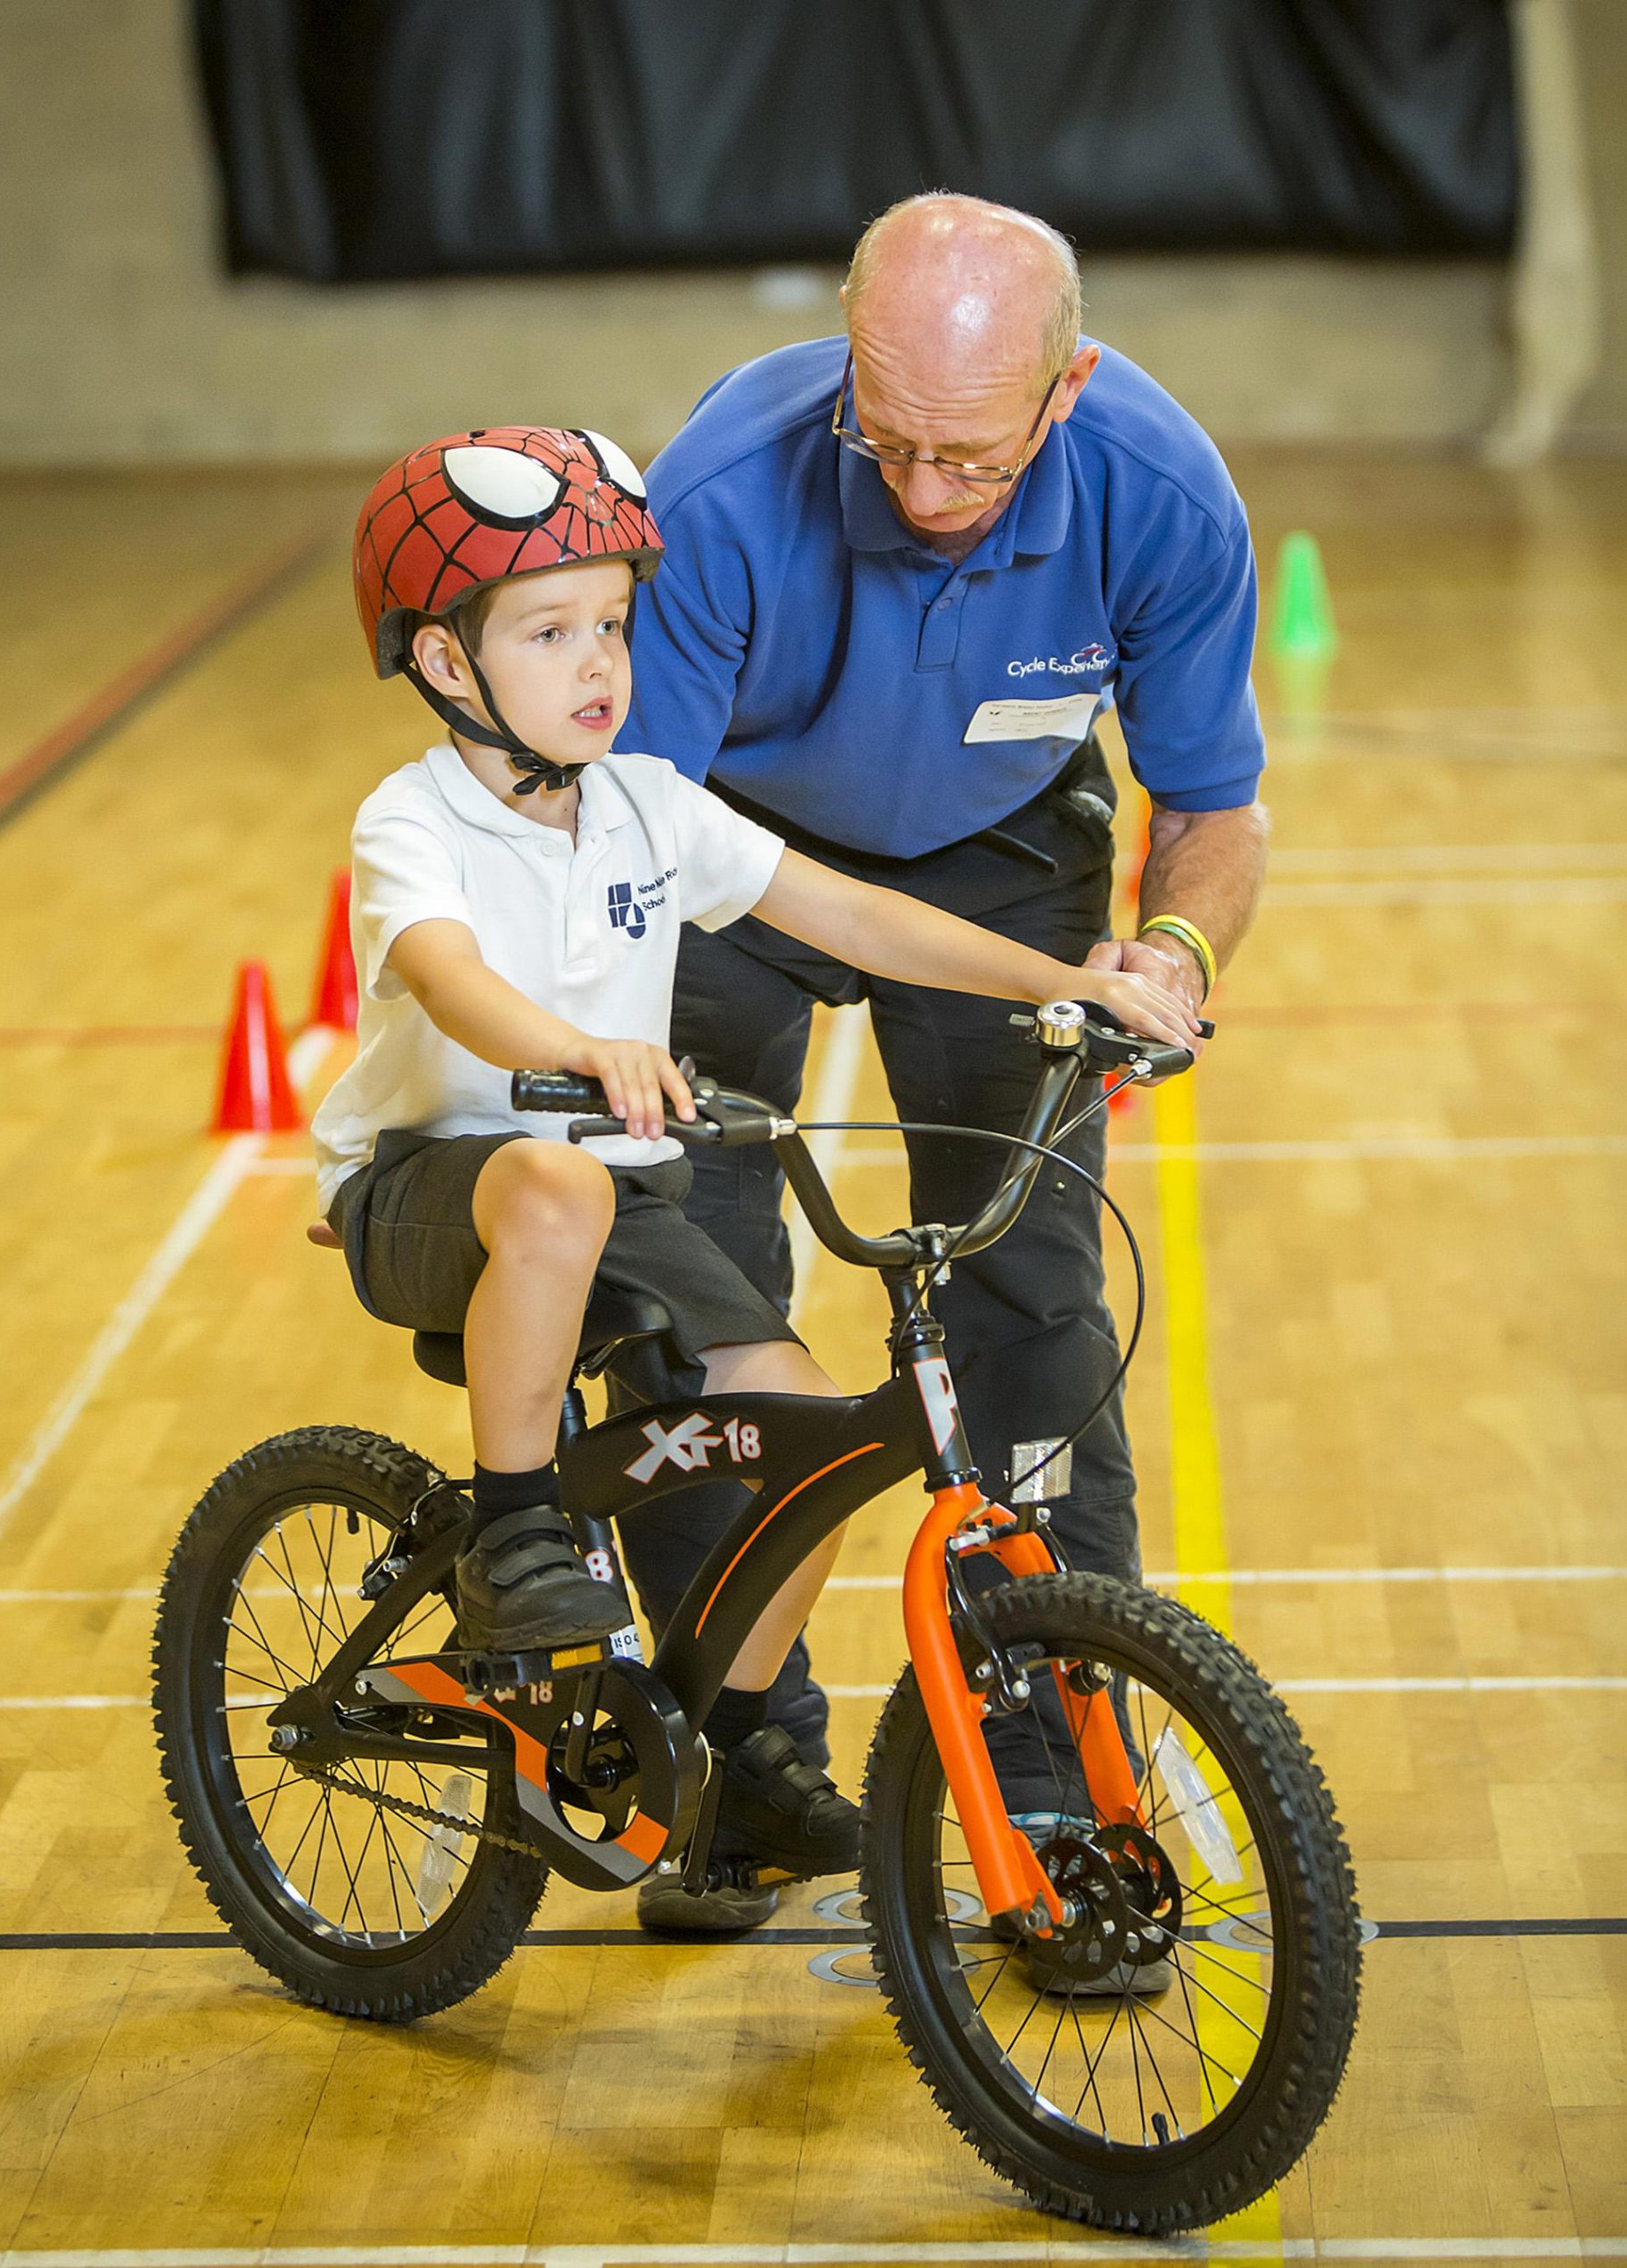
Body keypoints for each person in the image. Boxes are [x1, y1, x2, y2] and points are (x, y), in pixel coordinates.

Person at [311, 424, 1203, 1898]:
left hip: (599, 1195)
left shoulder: (650, 809)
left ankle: (732, 1750)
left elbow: (853, 915)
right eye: (548, 632)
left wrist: (1069, 983)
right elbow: (451, 977)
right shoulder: (413, 819)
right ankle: (513, 1527)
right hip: (433, 1185)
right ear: (446, 666)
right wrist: (584, 1051)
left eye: (612, 624)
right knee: (557, 1177)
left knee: (803, 1426)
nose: (599, 661)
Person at [613, 193, 1270, 1933]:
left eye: (967, 456)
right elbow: (626, 832)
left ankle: (1055, 1785)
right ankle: (732, 1762)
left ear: (1068, 390)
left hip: (1001, 852)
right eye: (884, 437)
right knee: (692, 1296)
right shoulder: (712, 495)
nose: (918, 492)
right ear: (848, 357)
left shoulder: (1162, 492)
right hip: (722, 857)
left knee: (1030, 1297)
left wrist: (1173, 953)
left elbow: (1209, 803)